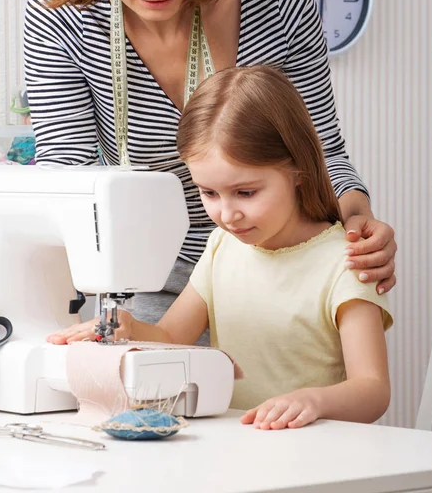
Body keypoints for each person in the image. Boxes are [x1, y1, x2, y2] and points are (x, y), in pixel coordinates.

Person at [24, 0, 397, 332]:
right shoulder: (64, 15)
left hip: (279, 265)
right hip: (151, 278)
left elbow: (322, 153)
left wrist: (357, 221)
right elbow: (68, 175)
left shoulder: (279, 1)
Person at [48, 66, 393, 430]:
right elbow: (170, 338)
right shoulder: (221, 247)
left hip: (316, 455)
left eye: (246, 192)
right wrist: (129, 326)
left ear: (298, 171)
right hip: (235, 446)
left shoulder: (347, 261)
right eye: (209, 193)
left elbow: (372, 390)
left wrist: (314, 401)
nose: (227, 214)